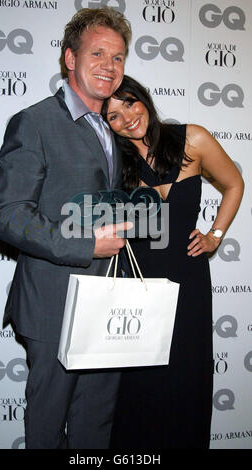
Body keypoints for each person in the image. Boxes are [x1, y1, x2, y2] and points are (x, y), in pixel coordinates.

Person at [0, 8, 132, 449]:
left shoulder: (115, 129)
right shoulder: (35, 122)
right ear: (70, 58)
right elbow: (5, 214)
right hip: (54, 304)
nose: (110, 65)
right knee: (48, 429)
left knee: (96, 425)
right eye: (98, 53)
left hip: (107, 303)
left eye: (120, 57)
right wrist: (88, 244)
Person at [102, 75, 244, 449]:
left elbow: (234, 183)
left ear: (143, 98)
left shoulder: (192, 139)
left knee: (186, 376)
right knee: (140, 384)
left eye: (129, 103)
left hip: (188, 277)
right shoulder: (114, 159)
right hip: (138, 282)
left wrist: (215, 235)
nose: (127, 117)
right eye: (113, 115)